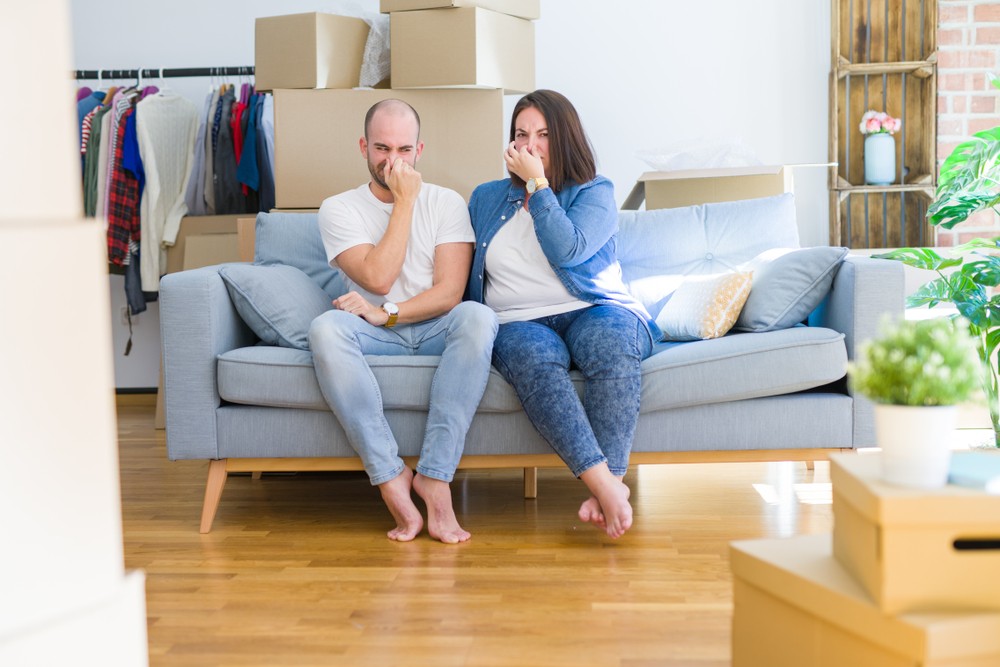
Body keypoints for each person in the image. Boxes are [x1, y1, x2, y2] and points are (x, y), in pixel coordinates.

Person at [466, 90, 660, 539]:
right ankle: (606, 488)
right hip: (517, 319)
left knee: (611, 345)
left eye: (543, 135)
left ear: (565, 137)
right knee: (533, 360)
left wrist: (538, 186)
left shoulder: (594, 191)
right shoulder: (485, 198)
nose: (530, 145)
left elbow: (567, 249)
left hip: (591, 307)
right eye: (521, 134)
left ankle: (609, 482)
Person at [309, 99, 498, 544]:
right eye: (382, 148)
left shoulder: (447, 202)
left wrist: (387, 312)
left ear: (420, 150)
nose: (393, 161)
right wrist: (405, 202)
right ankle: (390, 477)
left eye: (404, 149)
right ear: (363, 147)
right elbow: (378, 277)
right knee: (325, 329)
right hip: (371, 333)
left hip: (433, 327)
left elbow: (449, 293)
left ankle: (434, 476)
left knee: (477, 316)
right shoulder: (338, 208)